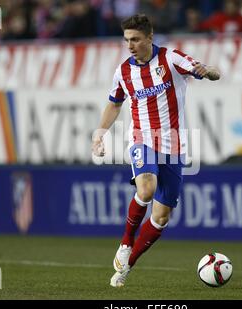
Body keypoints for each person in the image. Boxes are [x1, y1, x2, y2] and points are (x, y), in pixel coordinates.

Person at [92, 13, 220, 287]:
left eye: (136, 39)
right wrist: (100, 133)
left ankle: (127, 267)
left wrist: (207, 71)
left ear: (150, 38)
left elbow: (212, 71)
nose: (130, 45)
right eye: (127, 40)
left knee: (161, 217)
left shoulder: (171, 59)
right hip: (142, 138)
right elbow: (114, 104)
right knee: (146, 189)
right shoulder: (123, 71)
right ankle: (126, 241)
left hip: (173, 145)